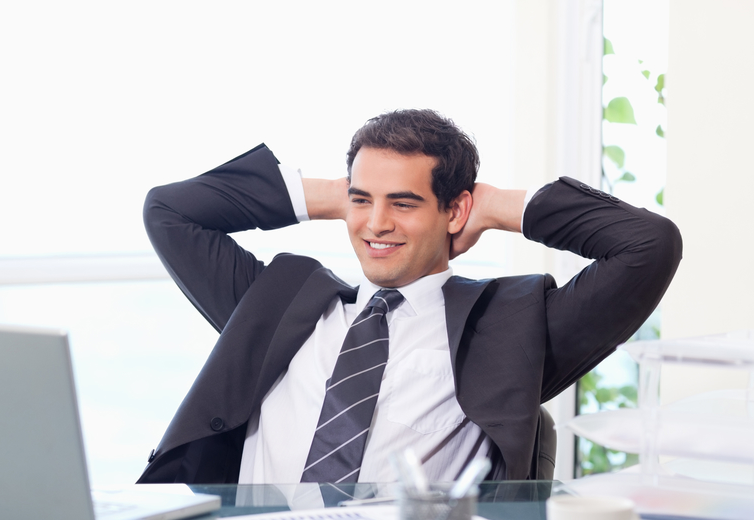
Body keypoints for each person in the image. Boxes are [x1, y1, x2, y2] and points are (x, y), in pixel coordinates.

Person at [137, 109, 681, 485]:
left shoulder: (508, 333)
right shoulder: (272, 306)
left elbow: (648, 246)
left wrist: (493, 206)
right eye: (362, 201)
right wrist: (339, 194)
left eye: (403, 203)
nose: (375, 224)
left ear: (454, 210)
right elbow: (169, 210)